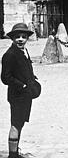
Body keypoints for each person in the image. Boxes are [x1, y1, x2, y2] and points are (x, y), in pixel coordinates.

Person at [1, 23, 40, 158]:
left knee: (21, 123)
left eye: (23, 37)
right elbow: (5, 78)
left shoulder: (23, 51)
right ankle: (12, 155)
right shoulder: (9, 54)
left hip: (25, 95)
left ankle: (15, 151)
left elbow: (24, 69)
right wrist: (22, 85)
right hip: (17, 95)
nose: (20, 39)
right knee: (15, 124)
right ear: (12, 39)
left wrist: (32, 79)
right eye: (17, 37)